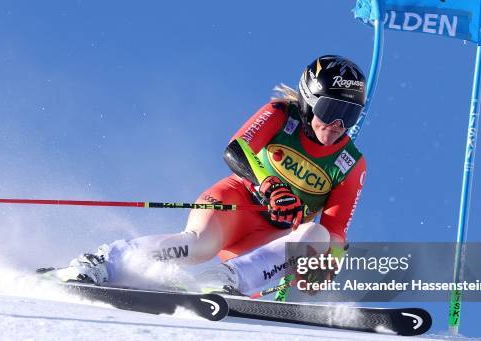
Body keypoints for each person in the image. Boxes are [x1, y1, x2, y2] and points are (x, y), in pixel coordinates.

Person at [51, 55, 367, 297]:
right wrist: (269, 186)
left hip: (270, 239)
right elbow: (237, 149)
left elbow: (335, 229)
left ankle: (225, 281)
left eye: (349, 114)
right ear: (309, 102)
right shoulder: (282, 115)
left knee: (317, 237)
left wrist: (322, 266)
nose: (339, 123)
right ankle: (103, 262)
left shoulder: (350, 163)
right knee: (197, 247)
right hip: (236, 204)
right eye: (330, 110)